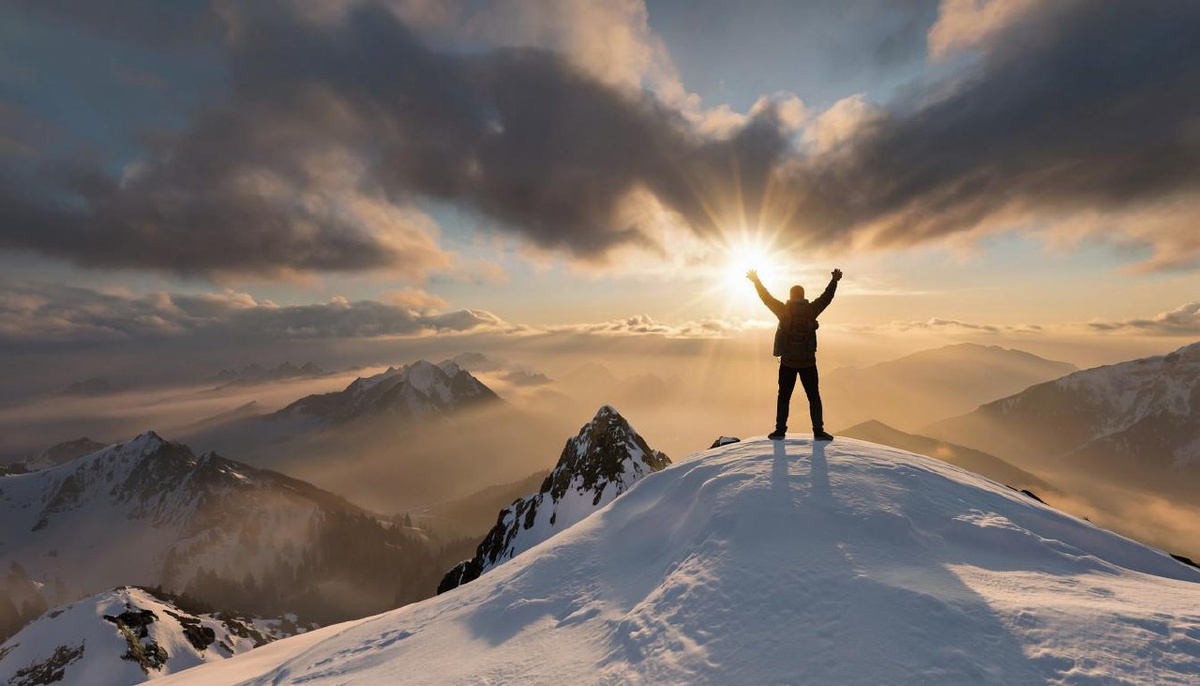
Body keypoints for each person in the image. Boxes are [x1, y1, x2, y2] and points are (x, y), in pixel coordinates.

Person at [746, 267, 842, 441]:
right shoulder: (811, 310)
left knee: (784, 397)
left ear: (790, 296)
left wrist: (756, 281)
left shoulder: (783, 311)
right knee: (814, 397)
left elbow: (765, 298)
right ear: (803, 296)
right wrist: (834, 280)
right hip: (808, 363)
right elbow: (827, 298)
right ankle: (818, 432)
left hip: (788, 363)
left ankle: (780, 431)